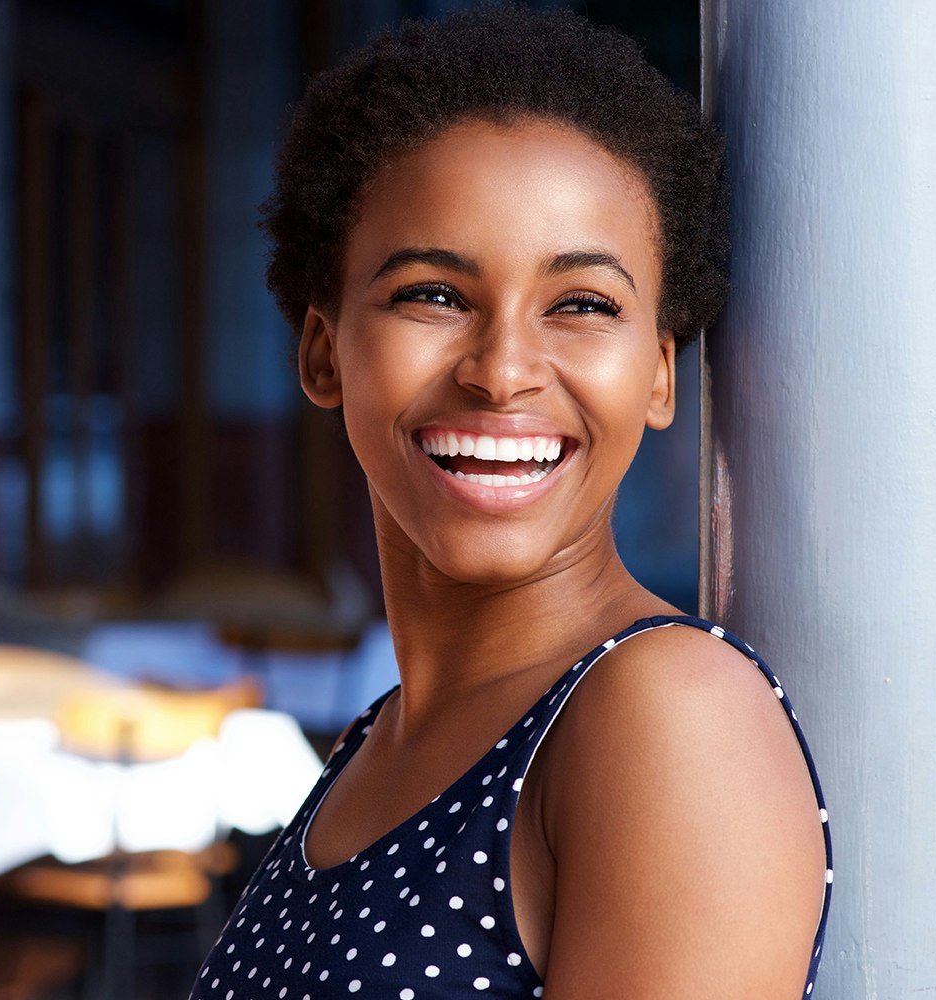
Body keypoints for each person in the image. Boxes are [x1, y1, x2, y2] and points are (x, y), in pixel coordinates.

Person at [191, 6, 831, 998]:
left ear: (659, 375)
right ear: (324, 352)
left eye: (581, 305)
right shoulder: (372, 746)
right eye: (434, 295)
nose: (501, 371)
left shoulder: (666, 715)